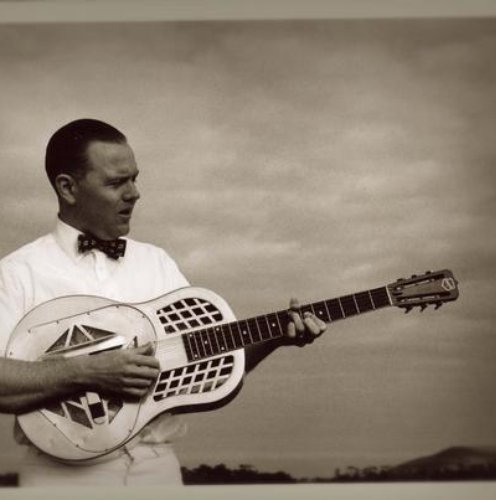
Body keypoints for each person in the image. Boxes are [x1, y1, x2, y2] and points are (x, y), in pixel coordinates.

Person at [0, 118, 326, 487]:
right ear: (68, 188)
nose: (134, 193)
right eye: (116, 182)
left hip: (157, 468)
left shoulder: (157, 263)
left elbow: (211, 370)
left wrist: (275, 337)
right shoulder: (17, 272)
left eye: (135, 179)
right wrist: (86, 371)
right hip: (59, 475)